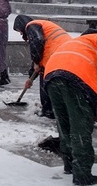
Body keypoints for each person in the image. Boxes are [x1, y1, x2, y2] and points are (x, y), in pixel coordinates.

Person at [44, 31, 97, 185]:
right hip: (75, 76)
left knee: (64, 122)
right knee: (80, 125)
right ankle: (82, 174)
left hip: (51, 76)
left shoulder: (78, 42)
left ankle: (69, 163)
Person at [13, 14, 72, 119]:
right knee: (55, 82)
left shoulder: (31, 26)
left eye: (19, 31)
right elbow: (39, 52)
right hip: (68, 51)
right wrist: (30, 78)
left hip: (56, 54)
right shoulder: (43, 26)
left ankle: (48, 111)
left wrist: (36, 61)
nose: (21, 33)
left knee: (45, 81)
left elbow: (37, 41)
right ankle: (57, 110)